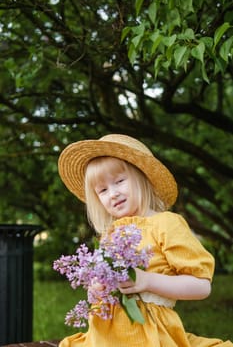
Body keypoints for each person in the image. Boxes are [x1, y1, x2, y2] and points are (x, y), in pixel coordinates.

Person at [57, 133, 233, 347]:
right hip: (104, 337)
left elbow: (201, 287)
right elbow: (100, 290)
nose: (112, 194)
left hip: (150, 335)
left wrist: (146, 281)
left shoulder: (166, 224)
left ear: (143, 177)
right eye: (102, 190)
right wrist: (96, 288)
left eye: (119, 181)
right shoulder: (109, 235)